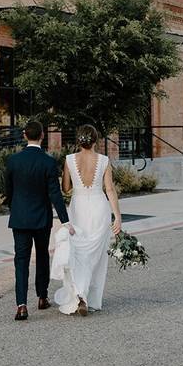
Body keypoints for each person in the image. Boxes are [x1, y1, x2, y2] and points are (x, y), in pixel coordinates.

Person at [4, 120, 73, 322]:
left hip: (19, 218)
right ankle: (42, 297)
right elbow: (55, 195)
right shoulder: (48, 162)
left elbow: (9, 191)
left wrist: (14, 208)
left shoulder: (13, 161)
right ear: (42, 136)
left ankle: (21, 305)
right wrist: (65, 221)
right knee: (42, 256)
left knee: (21, 260)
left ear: (25, 135)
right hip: (42, 218)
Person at [52, 124, 122, 316]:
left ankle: (78, 294)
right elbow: (109, 189)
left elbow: (65, 188)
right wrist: (117, 216)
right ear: (95, 140)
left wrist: (70, 176)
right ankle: (90, 299)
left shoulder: (69, 160)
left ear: (79, 140)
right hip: (99, 208)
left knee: (77, 253)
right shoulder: (104, 160)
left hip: (78, 208)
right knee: (97, 258)